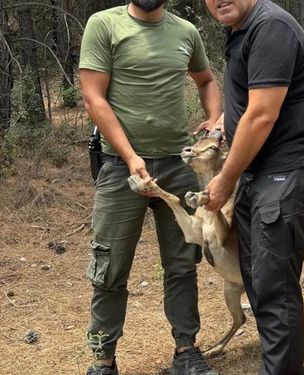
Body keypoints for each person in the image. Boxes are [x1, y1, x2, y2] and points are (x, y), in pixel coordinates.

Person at [78, 1, 222, 374]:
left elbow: (206, 79)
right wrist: (130, 158)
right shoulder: (104, 25)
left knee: (182, 265)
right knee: (110, 267)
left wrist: (212, 116)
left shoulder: (185, 31)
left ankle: (186, 352)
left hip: (177, 165)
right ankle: (103, 360)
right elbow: (94, 97)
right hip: (119, 169)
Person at [200, 0, 304, 374]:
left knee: (273, 286)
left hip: (289, 167)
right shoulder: (241, 29)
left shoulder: (271, 27)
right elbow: (249, 100)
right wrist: (225, 121)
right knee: (258, 278)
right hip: (260, 171)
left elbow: (262, 114)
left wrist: (225, 179)